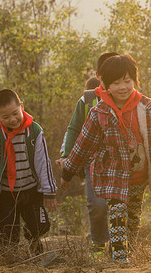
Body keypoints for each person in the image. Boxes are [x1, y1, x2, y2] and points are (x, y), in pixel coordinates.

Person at [60, 54, 151, 263]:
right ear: (106, 85)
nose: (123, 87)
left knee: (133, 220)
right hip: (112, 176)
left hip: (139, 175)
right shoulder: (99, 112)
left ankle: (122, 253)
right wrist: (67, 172)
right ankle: (119, 259)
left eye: (127, 81)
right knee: (118, 214)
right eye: (116, 83)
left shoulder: (147, 106)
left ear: (134, 80)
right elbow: (83, 145)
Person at [0, 89, 58, 259]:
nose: (12, 119)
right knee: (8, 232)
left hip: (31, 190)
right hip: (6, 193)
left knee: (39, 226)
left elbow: (43, 163)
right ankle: (8, 259)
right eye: (5, 117)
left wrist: (49, 191)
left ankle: (36, 252)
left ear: (21, 106)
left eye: (15, 113)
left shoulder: (34, 131)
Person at [56, 51, 118, 257]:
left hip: (121, 161)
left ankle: (120, 246)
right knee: (98, 204)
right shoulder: (87, 100)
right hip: (93, 161)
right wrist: (66, 156)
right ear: (99, 76)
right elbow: (73, 130)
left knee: (121, 205)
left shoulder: (127, 97)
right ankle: (99, 243)